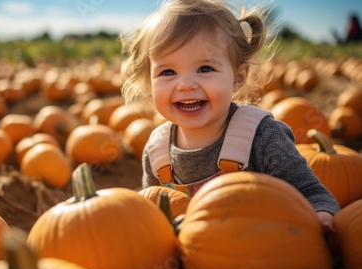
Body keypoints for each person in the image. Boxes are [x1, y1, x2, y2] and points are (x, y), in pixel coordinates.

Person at [120, 0, 340, 233]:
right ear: (149, 81)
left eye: (205, 69)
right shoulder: (156, 151)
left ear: (237, 77)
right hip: (193, 261)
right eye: (167, 72)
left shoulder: (262, 136)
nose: (185, 85)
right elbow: (153, 213)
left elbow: (313, 194)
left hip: (261, 256)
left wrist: (322, 215)